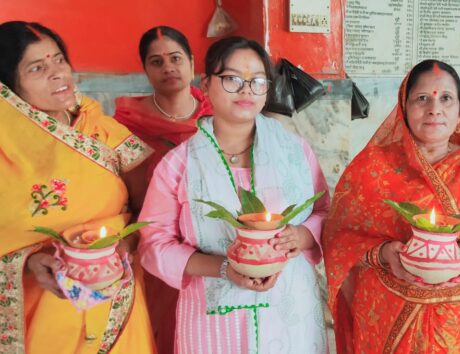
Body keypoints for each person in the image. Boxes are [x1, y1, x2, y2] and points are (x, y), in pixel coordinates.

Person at [323, 59, 460, 353]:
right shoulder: (372, 167)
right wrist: (384, 254)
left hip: (457, 323)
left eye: (446, 98)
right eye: (422, 98)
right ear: (404, 107)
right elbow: (338, 240)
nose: (434, 108)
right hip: (385, 314)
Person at [138, 36, 329, 353]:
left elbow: (324, 212)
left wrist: (302, 235)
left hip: (290, 312)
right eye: (232, 79)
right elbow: (152, 243)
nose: (246, 90)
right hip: (213, 320)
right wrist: (222, 267)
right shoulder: (180, 164)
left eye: (258, 81)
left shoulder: (295, 151)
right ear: (206, 83)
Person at [0, 21, 154, 353]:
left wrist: (126, 245)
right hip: (43, 315)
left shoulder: (102, 132)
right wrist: (27, 262)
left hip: (115, 299)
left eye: (59, 59)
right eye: (37, 68)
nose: (58, 73)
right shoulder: (5, 154)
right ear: (8, 89)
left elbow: (148, 208)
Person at [112, 25, 212, 354]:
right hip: (154, 242)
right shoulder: (126, 123)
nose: (168, 67)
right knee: (161, 330)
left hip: (210, 243)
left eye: (175, 58)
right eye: (157, 61)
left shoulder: (217, 116)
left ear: (192, 63)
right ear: (146, 69)